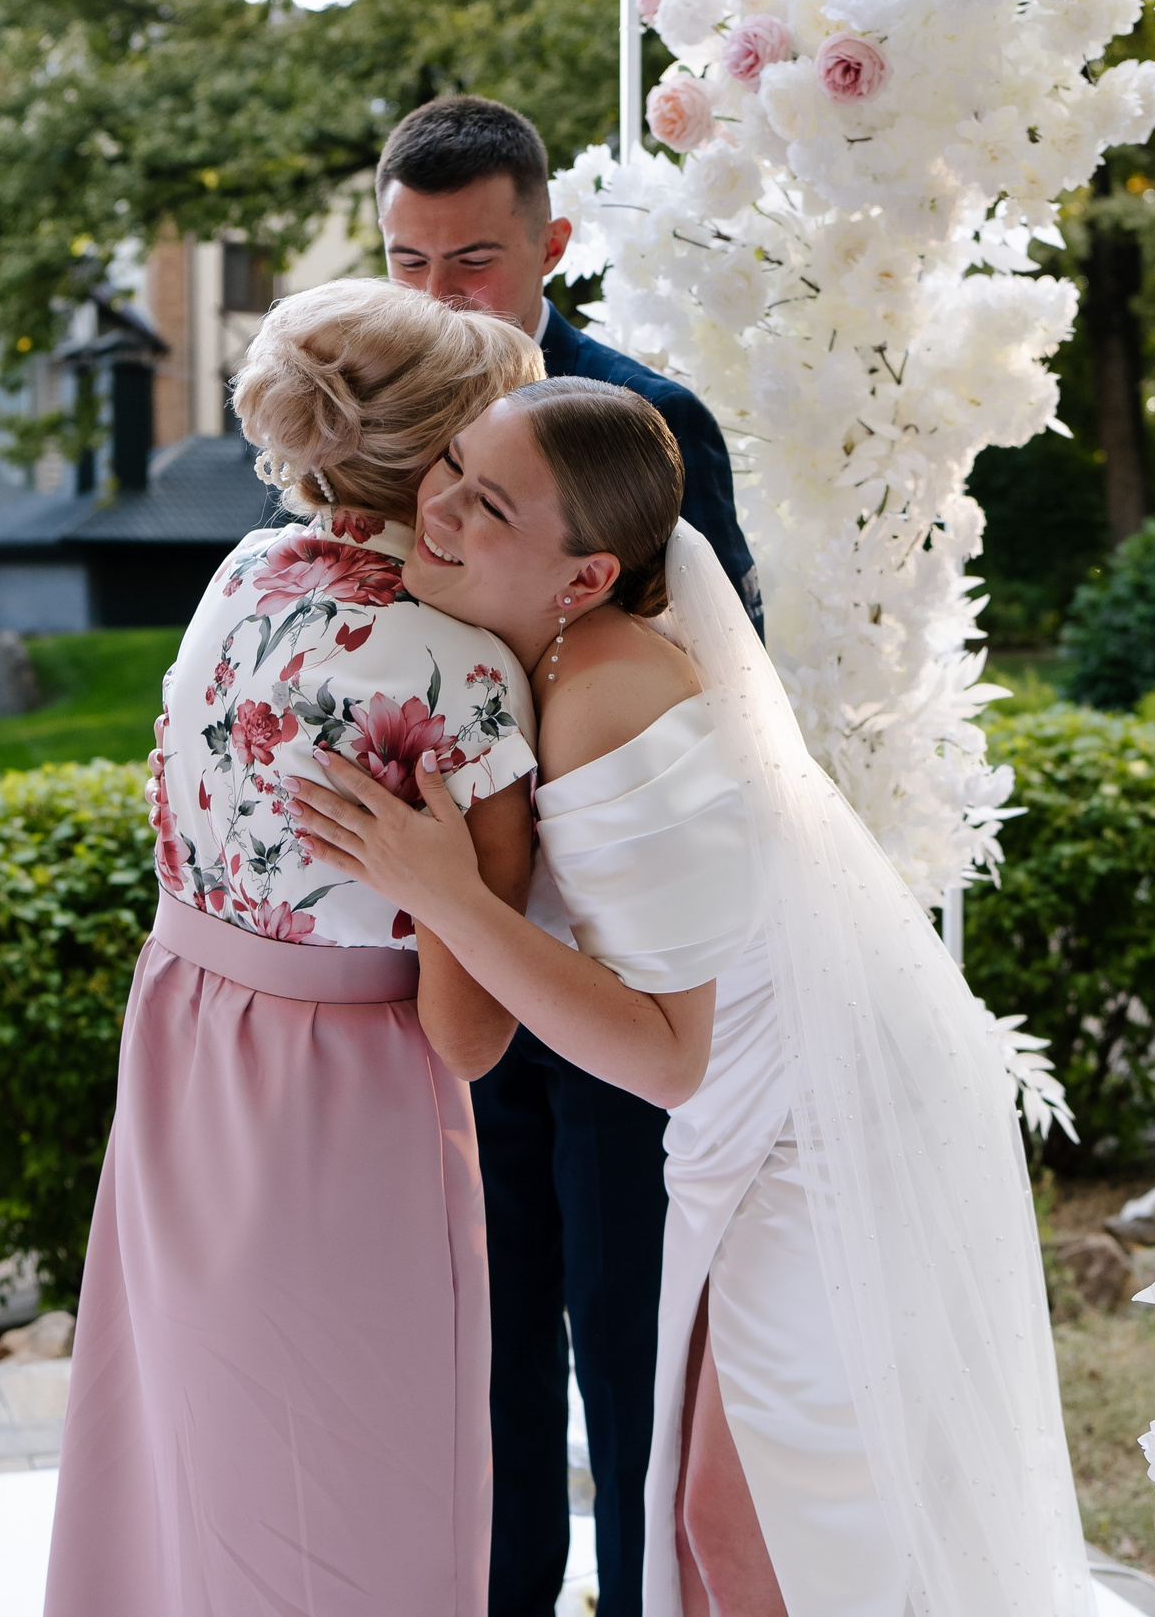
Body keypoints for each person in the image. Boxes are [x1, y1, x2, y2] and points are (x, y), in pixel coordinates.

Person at [290, 379, 1094, 1616]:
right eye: (449, 465)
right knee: (708, 1516)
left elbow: (667, 1055)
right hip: (751, 1123)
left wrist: (439, 890)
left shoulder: (601, 699)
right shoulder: (545, 653)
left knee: (743, 1524)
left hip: (831, 1125)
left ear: (584, 577)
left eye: (488, 504)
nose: (436, 507)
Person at [43, 279, 543, 1617]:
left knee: (198, 1451)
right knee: (363, 1490)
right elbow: (469, 1030)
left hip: (183, 1040)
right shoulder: (461, 671)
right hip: (345, 1094)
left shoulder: (244, 571)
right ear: (451, 461)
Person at [376, 94, 761, 1617]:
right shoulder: (386, 419)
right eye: (407, 262)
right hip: (448, 954)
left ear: (551, 244)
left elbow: (712, 677)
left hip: (611, 947)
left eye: (471, 259)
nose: (438, 296)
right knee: (485, 1337)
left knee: (623, 1323)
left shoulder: (647, 420)